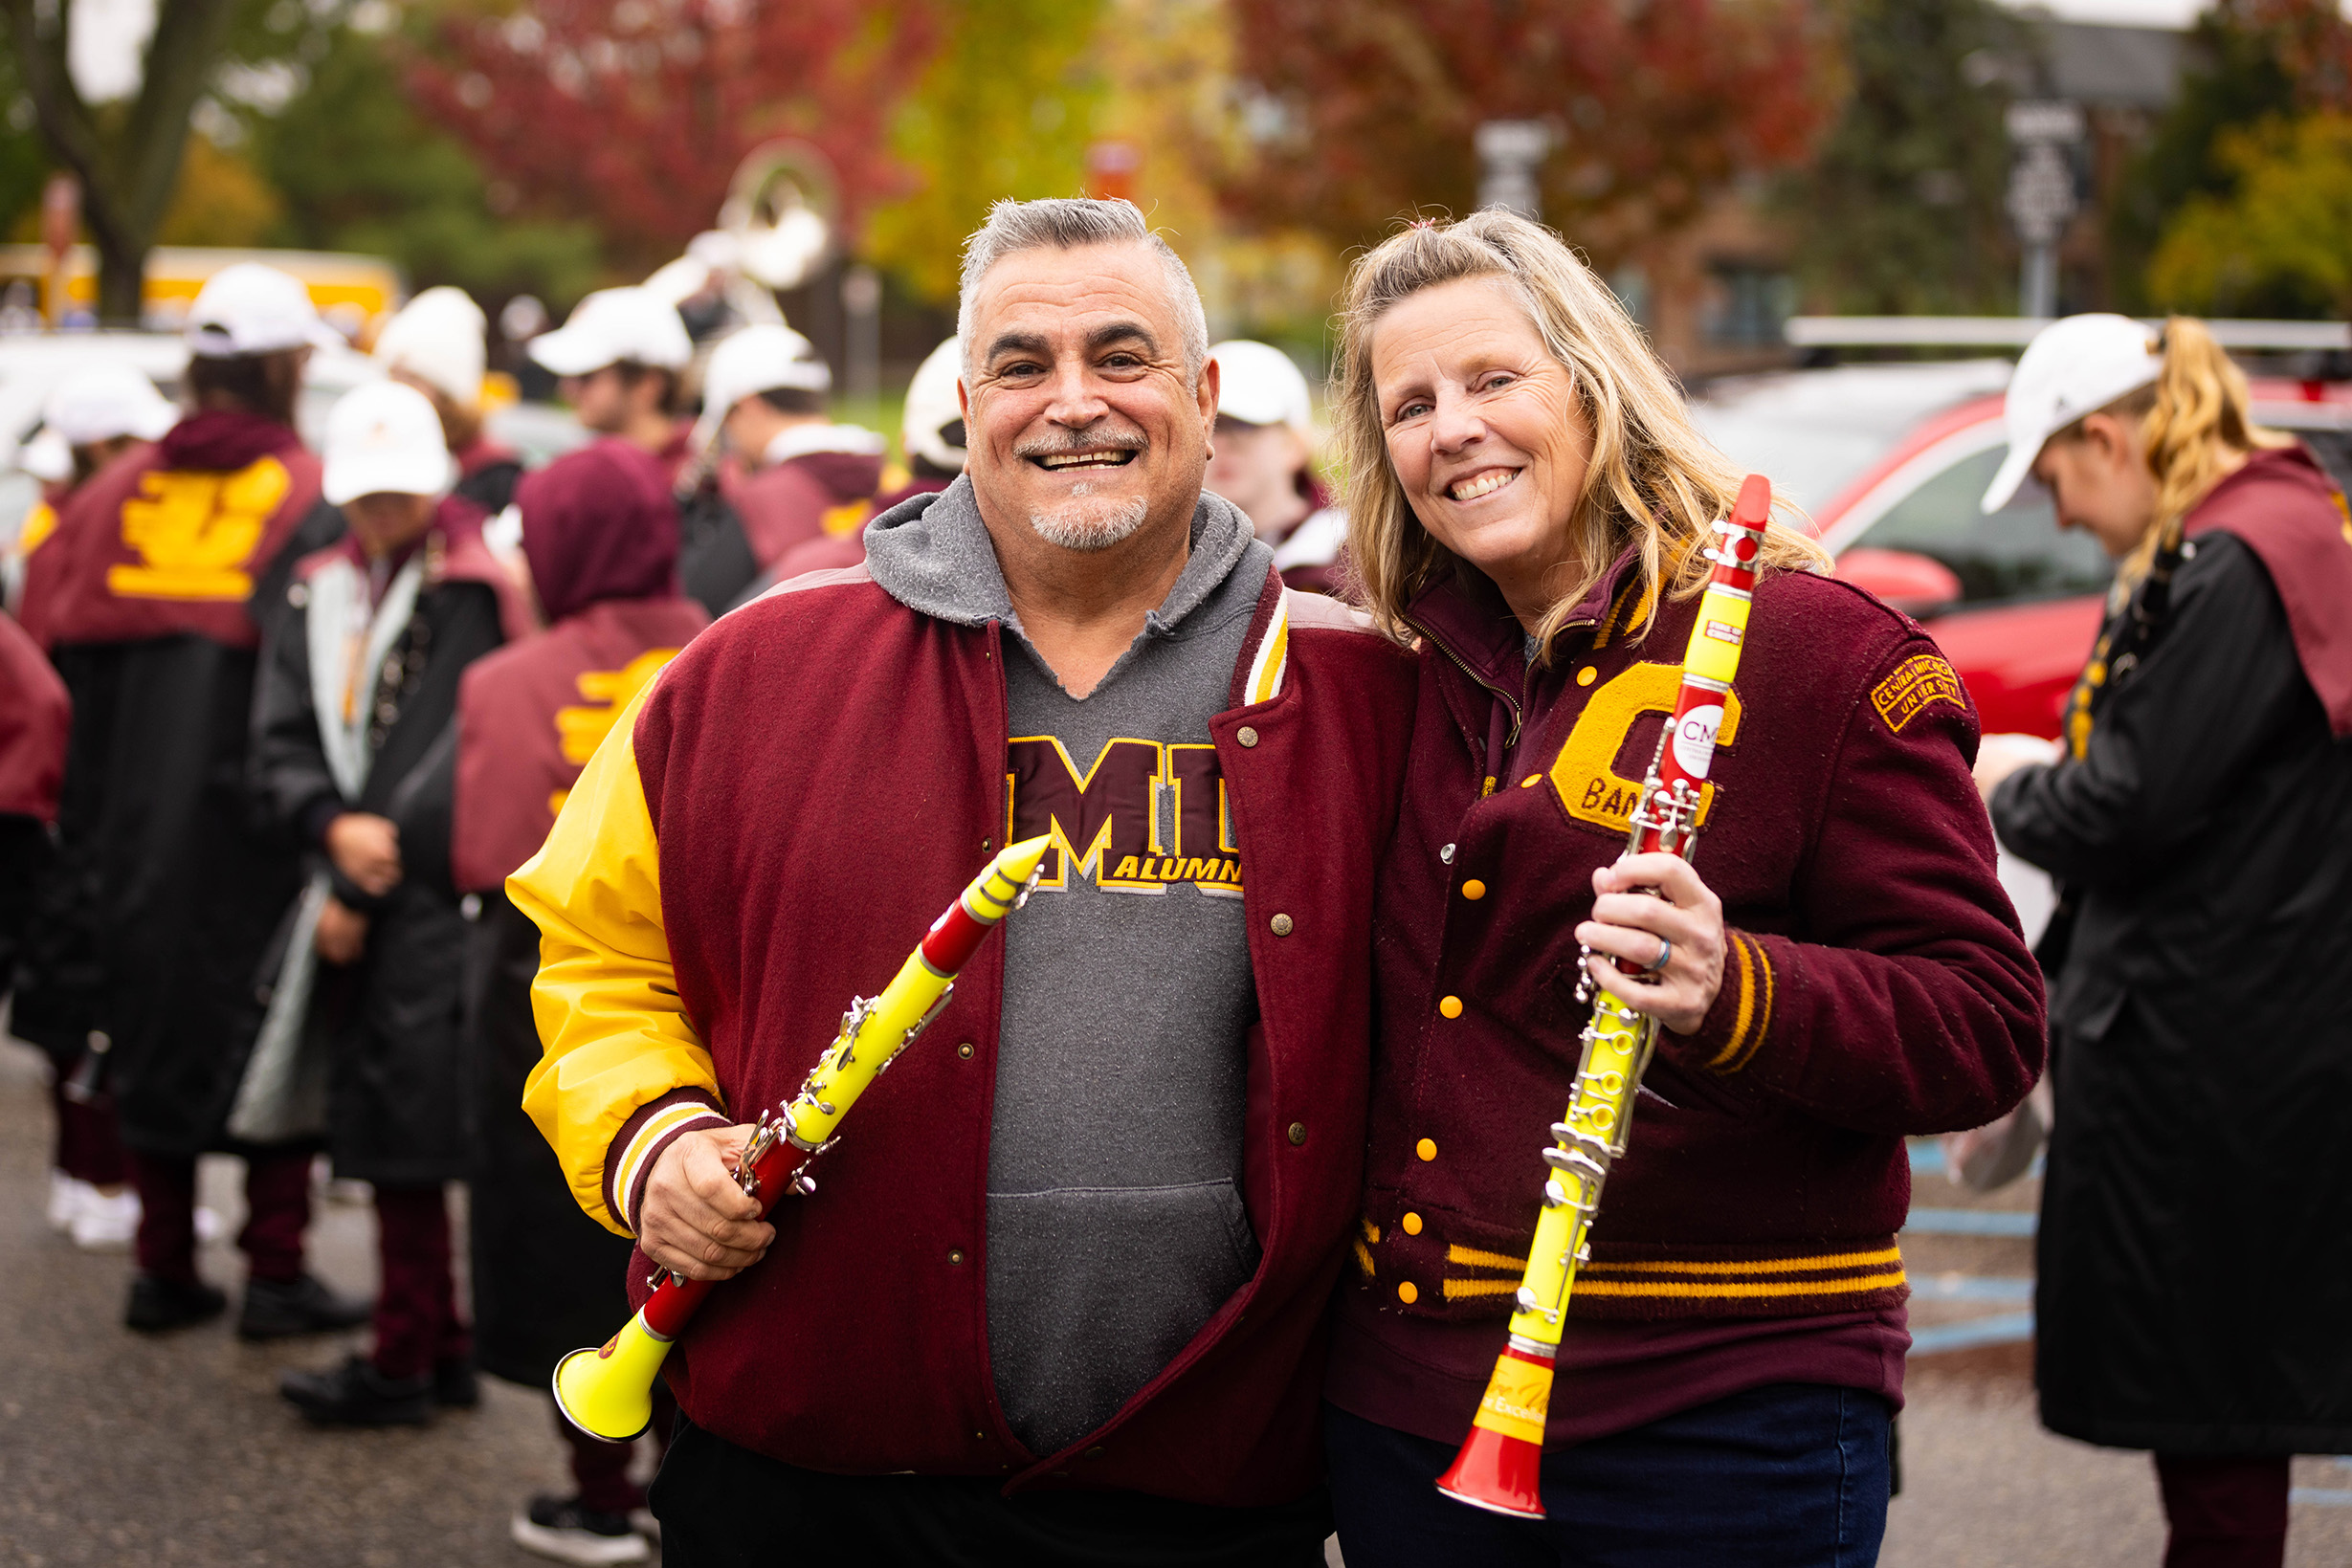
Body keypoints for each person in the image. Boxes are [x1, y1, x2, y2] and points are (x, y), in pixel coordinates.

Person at [509, 195, 1417, 1565]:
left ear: (1205, 393)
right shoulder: (751, 667)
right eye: (1019, 363)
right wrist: (655, 1138)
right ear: (961, 393)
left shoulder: (1363, 684)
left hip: (1193, 1485)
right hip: (805, 1473)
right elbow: (595, 951)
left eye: (1122, 357)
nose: (1073, 404)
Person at [1316, 210, 2046, 1564]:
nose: (1451, 428)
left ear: (1592, 382)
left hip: (1719, 1419)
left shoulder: (1816, 651)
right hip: (1410, 1412)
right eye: (1407, 404)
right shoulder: (1385, 666)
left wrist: (1739, 988)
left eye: (1491, 379)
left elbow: (1986, 1023)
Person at [1973, 314, 2352, 1568]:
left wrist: (2003, 784)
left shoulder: (2232, 560)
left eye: (2054, 476)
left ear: (2105, 435)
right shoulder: (2281, 528)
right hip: (2248, 1022)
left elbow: (2125, 801)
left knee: (2217, 1412)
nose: (2061, 515)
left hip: (2213, 1052)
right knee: (2230, 1398)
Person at [34, 263, 373, 1336]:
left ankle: (162, 1262)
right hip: (260, 818)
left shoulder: (103, 496)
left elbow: (50, 660)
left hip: (122, 815)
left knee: (143, 1021)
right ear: (283, 368)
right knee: (276, 1029)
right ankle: (274, 1269)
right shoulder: (312, 494)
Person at [248, 380, 529, 1424]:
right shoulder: (317, 587)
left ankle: (407, 1352)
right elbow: (274, 734)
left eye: (396, 497)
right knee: (379, 1119)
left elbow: (453, 749)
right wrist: (328, 830)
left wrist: (367, 861)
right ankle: (432, 1337)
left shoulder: (472, 588)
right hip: (354, 876)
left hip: (433, 892)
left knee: (408, 1125)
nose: (378, 517)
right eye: (363, 499)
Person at [451, 441, 707, 1562]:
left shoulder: (508, 679)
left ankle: (598, 1483)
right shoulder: (734, 648)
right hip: (710, 1010)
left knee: (569, 1260)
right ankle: (685, 1483)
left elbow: (467, 850)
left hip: (549, 1011)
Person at [7, 364, 178, 1250]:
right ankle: (102, 1179)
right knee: (91, 995)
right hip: (72, 798)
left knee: (67, 992)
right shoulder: (80, 536)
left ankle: (82, 1176)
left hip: (50, 799)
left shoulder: (53, 534)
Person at [675, 323, 883, 614]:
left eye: (727, 424)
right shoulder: (891, 478)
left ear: (749, 406)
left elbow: (700, 605)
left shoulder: (758, 499)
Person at [1205, 339, 1346, 594]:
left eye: (1242, 425)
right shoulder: (1166, 560)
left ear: (1294, 445)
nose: (1219, 444)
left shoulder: (1350, 560)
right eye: (1206, 425)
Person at [375, 285, 525, 515]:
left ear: (447, 395)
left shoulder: (493, 474)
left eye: (413, 379)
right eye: (393, 377)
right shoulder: (377, 453)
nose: (398, 390)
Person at [528, 286, 697, 486]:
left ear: (648, 384)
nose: (567, 389)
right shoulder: (596, 472)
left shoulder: (696, 480)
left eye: (586, 376)